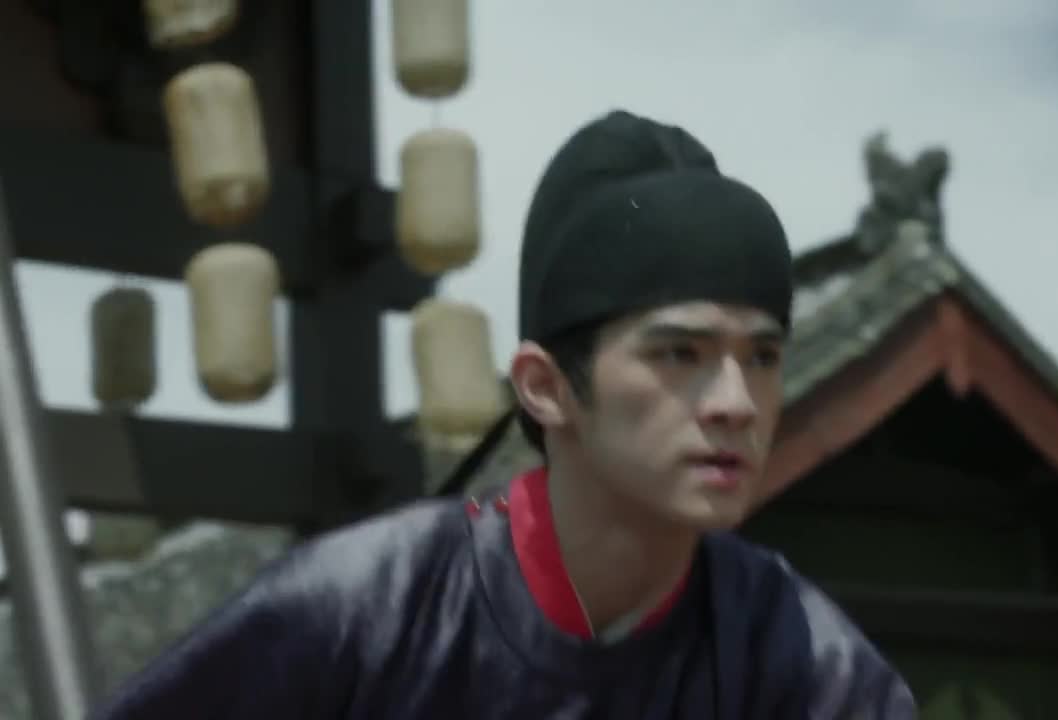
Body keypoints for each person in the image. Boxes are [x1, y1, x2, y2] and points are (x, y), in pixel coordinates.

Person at [91, 110, 916, 719]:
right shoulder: (361, 614)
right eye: (678, 354)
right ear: (545, 386)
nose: (735, 403)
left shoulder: (803, 664)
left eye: (762, 357)